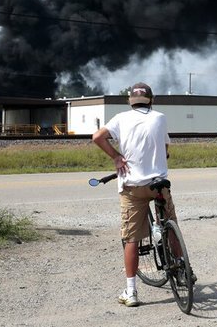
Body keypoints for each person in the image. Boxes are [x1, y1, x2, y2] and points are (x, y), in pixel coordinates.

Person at [92, 82, 177, 307]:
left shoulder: (121, 118)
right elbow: (166, 150)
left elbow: (97, 137)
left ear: (130, 100)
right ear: (151, 100)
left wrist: (117, 157)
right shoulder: (160, 117)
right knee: (171, 225)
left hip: (132, 187)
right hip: (159, 183)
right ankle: (183, 271)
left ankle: (131, 292)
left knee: (131, 238)